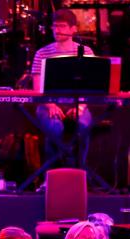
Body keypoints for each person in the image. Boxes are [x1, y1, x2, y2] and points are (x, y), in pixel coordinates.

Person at [30, 8, 94, 168]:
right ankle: (53, 175)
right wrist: (50, 105)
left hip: (77, 104)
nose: (57, 30)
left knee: (84, 126)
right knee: (55, 128)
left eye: (62, 26)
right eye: (55, 26)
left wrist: (80, 107)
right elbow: (38, 89)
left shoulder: (85, 52)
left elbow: (92, 85)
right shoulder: (42, 53)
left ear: (74, 29)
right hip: (49, 105)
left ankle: (80, 172)